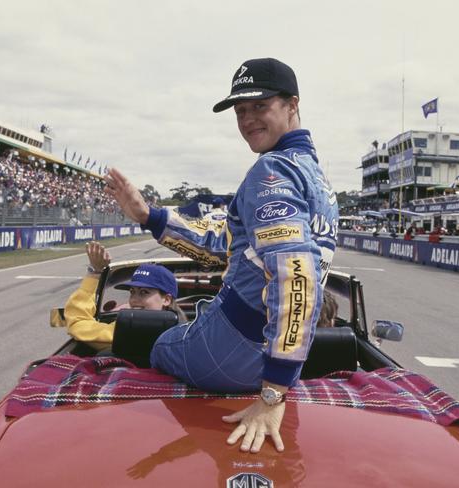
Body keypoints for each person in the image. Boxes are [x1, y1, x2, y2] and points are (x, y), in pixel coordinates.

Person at [104, 57, 339, 454]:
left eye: (260, 106)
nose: (247, 119)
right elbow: (224, 248)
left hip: (231, 351)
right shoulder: (316, 178)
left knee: (161, 342)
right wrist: (149, 216)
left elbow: (295, 277)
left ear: (292, 105)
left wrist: (272, 396)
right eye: (241, 110)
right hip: (276, 358)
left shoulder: (271, 171)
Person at [64, 241, 183, 350]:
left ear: (166, 299)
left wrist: (95, 273)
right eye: (132, 292)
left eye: (144, 292)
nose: (134, 300)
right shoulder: (187, 335)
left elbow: (77, 323)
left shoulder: (123, 330)